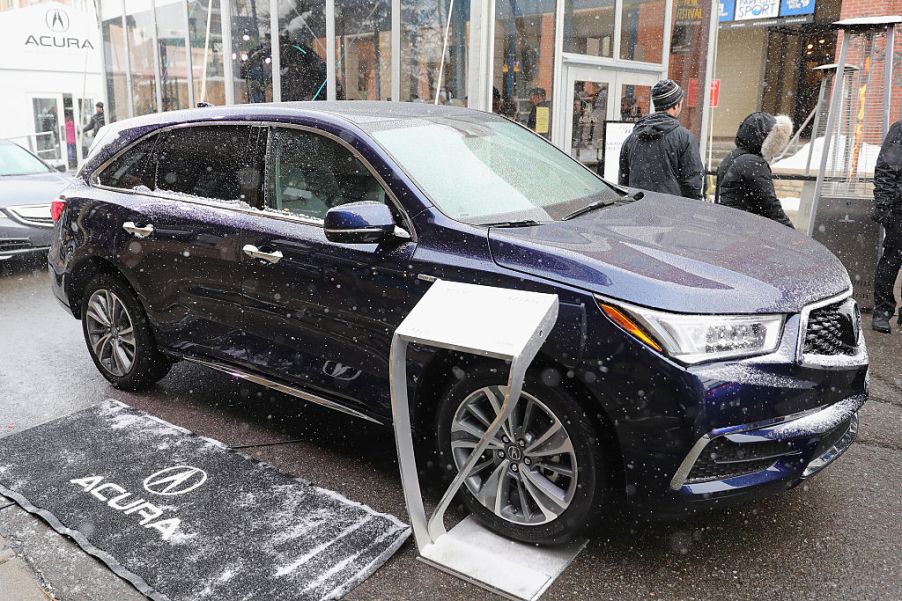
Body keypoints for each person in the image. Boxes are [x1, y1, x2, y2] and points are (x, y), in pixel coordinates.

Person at [618, 79, 704, 199]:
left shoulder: (631, 139)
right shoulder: (684, 138)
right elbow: (692, 184)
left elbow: (623, 183)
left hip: (638, 209)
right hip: (671, 211)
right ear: (676, 105)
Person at [715, 112, 794, 227]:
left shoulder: (732, 156)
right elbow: (770, 204)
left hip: (728, 224)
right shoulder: (754, 164)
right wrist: (790, 231)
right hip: (746, 228)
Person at [871, 119, 902, 333]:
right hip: (899, 209)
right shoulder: (900, 130)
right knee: (892, 260)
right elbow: (886, 169)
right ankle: (882, 312)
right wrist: (884, 206)